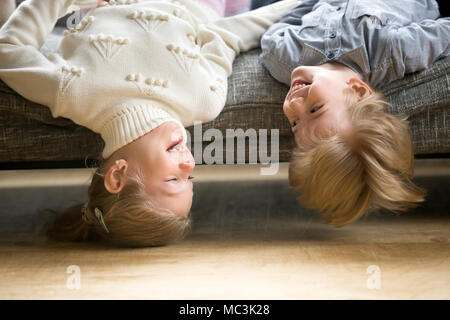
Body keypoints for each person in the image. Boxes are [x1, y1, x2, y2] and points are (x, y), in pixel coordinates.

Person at [0, 0, 299, 246]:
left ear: (118, 175)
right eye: (189, 180)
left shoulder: (74, 94)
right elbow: (226, 35)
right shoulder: (203, 101)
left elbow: (7, 53)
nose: (191, 165)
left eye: (174, 180)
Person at [259, 0, 449, 226]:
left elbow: (276, 30)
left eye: (295, 123)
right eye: (315, 109)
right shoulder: (393, 52)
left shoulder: (282, 56)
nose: (293, 105)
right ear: (358, 91)